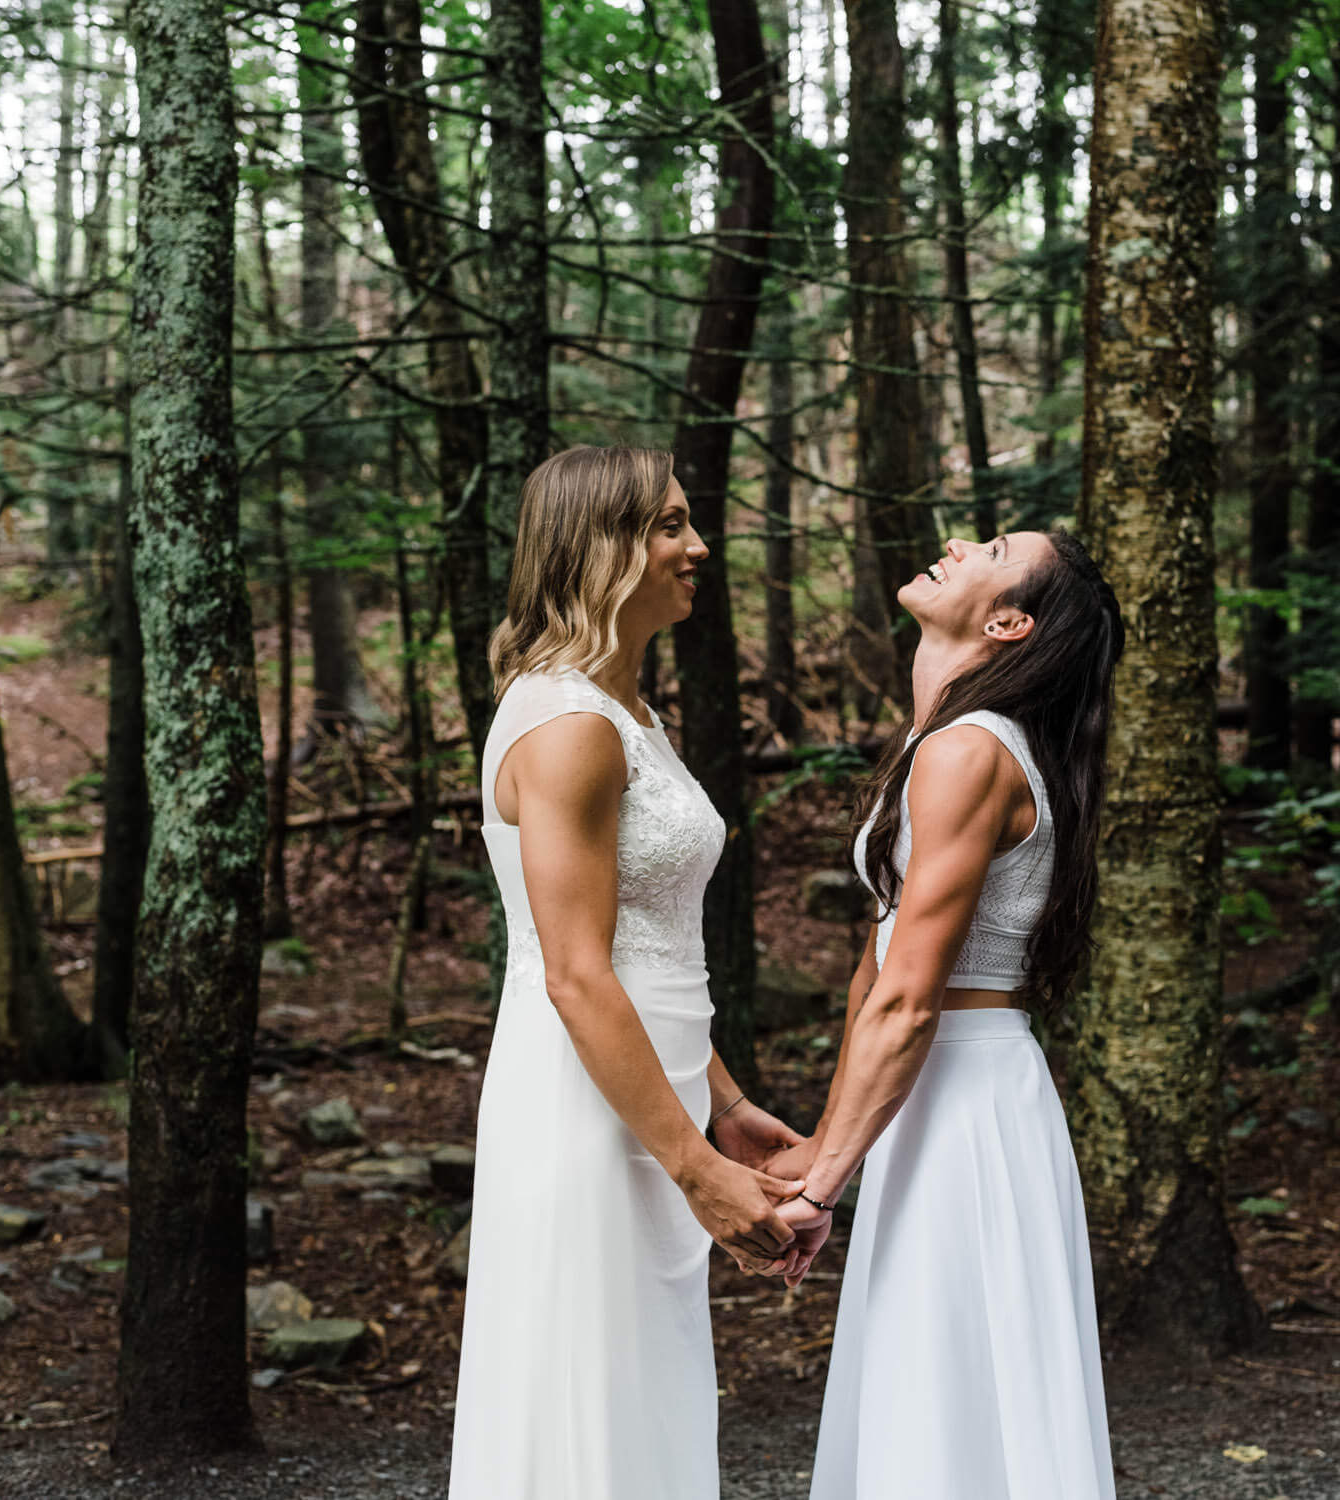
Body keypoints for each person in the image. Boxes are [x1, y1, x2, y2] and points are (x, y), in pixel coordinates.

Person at [448, 446, 807, 1500]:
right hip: (588, 1111)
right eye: (668, 525)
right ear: (597, 546)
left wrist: (725, 1102)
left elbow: (644, 947)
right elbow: (574, 975)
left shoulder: (627, 716)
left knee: (642, 1396)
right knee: (588, 1402)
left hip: (651, 1099)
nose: (698, 546)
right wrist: (696, 1166)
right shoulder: (570, 730)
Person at [769, 529, 1126, 1500]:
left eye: (992, 546)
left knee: (953, 1389)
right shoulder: (946, 741)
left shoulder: (970, 752)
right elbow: (876, 965)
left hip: (962, 1098)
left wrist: (820, 1191)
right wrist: (831, 1137)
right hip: (932, 1092)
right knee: (928, 1386)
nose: (957, 542)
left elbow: (912, 993)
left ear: (1008, 621)